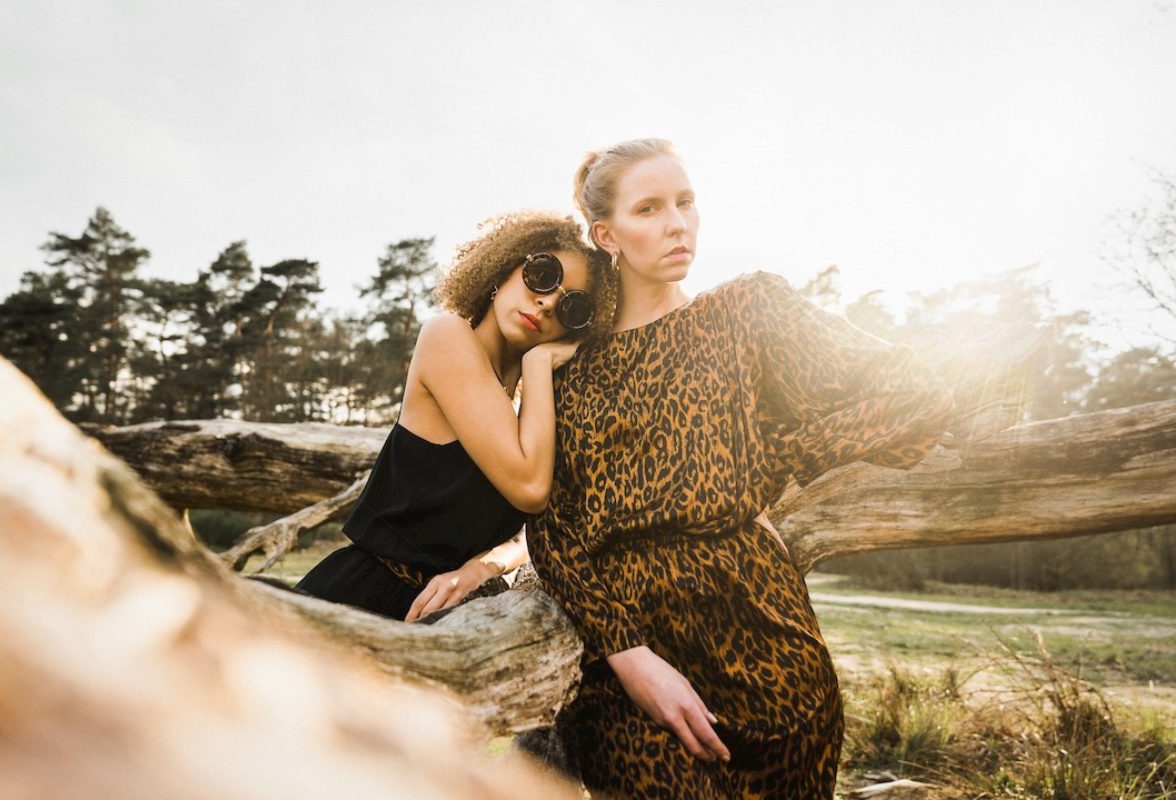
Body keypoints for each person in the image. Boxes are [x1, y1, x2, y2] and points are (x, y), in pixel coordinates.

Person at [527, 140, 954, 799]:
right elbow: (553, 532)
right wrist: (629, 657)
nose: (677, 223)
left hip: (771, 654)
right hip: (633, 665)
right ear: (606, 235)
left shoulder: (746, 312)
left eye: (686, 202)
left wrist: (772, 462)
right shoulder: (570, 370)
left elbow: (916, 395)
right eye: (649, 208)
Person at [297, 210, 616, 623]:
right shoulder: (447, 335)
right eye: (542, 274)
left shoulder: (529, 412)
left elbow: (529, 534)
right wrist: (539, 364)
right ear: (504, 267)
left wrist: (483, 566)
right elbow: (530, 489)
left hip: (443, 619)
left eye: (573, 307)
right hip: (360, 600)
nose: (548, 302)